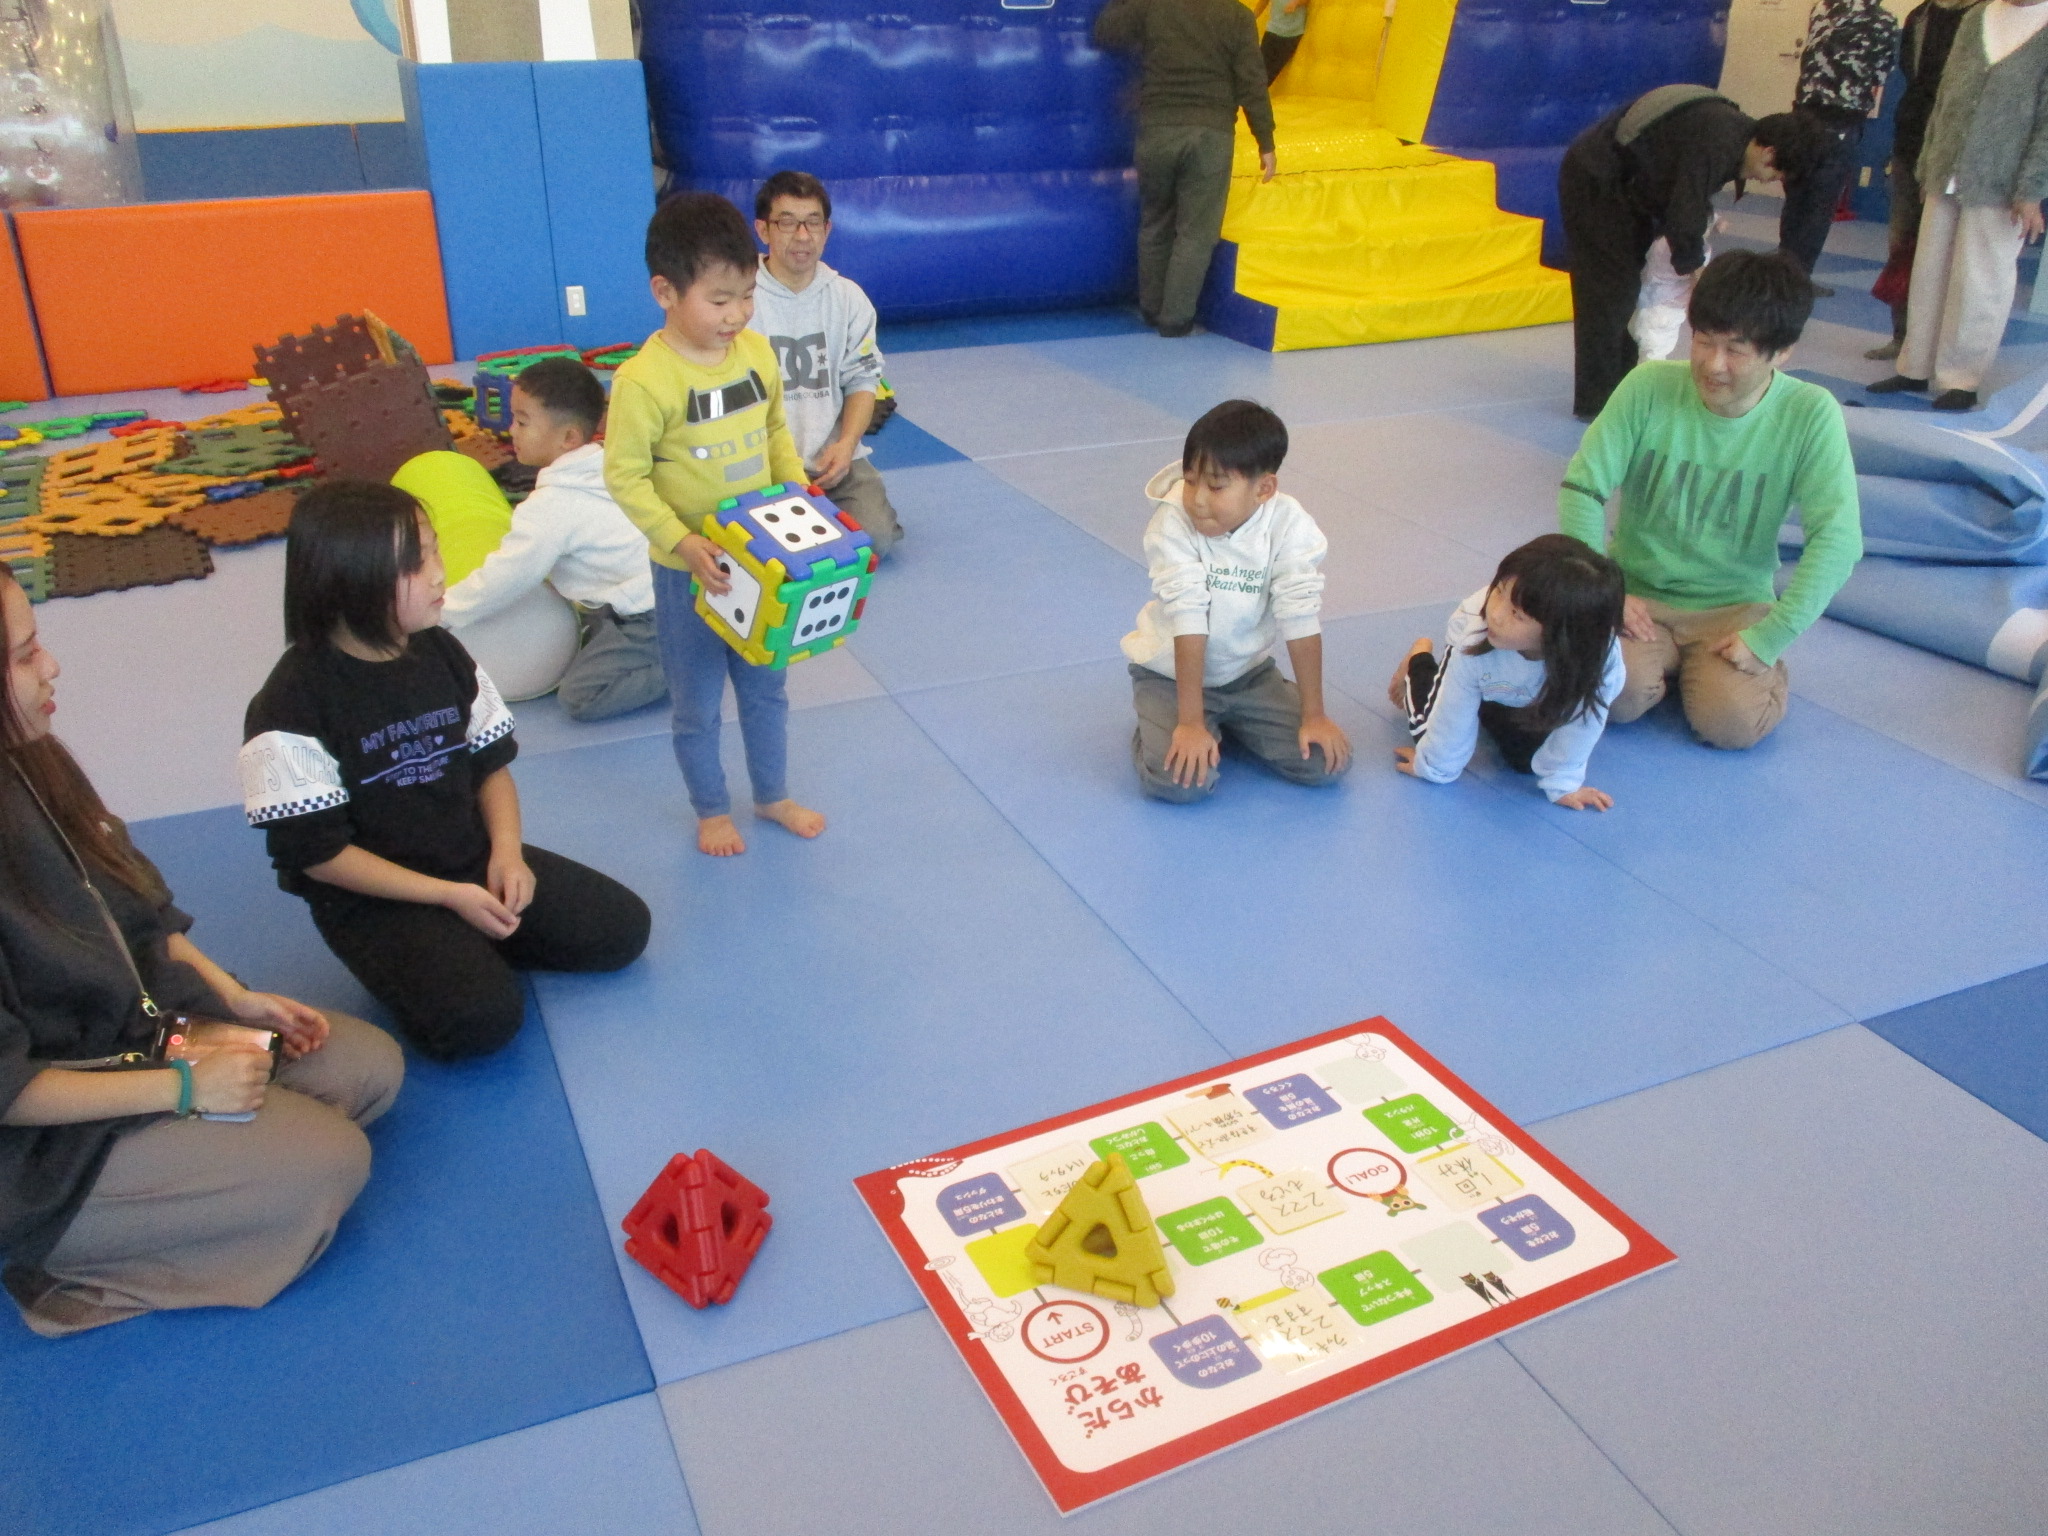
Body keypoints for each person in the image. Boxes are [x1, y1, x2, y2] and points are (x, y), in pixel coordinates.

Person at [0, 569, 403, 1337]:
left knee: (366, 1071)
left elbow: (138, 910)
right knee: (329, 1163)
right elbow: (8, 1088)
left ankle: (205, 1160)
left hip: (134, 1034)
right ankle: (64, 1274)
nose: (51, 667)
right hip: (39, 1143)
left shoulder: (32, 758)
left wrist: (232, 998)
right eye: (23, 656)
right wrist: (184, 1087)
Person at [240, 481, 650, 1060]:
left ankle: (467, 942)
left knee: (623, 930)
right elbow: (318, 854)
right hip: (375, 899)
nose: (439, 574)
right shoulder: (291, 705)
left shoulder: (440, 650)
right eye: (415, 563)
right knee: (481, 1023)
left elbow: (491, 765)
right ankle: (442, 952)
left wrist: (506, 854)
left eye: (433, 550)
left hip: (468, 860)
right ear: (352, 580)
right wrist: (448, 897)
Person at [1559, 249, 1862, 750]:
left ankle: (1720, 675)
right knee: (1613, 699)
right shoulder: (1648, 386)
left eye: (1736, 351)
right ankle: (1666, 668)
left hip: (1733, 607)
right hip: (1639, 597)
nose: (1713, 365)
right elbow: (1582, 488)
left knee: (1732, 725)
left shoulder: (1810, 414)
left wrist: (1771, 637)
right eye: (1702, 341)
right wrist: (1603, 594)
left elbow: (1839, 539)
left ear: (1781, 352)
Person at [605, 191, 823, 857]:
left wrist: (798, 491)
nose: (737, 314)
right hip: (689, 572)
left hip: (763, 563)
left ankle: (772, 794)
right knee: (697, 703)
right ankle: (710, 808)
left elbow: (775, 431)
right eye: (720, 300)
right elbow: (626, 477)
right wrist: (681, 541)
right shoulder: (644, 381)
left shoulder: (755, 354)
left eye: (747, 295)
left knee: (766, 690)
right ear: (665, 292)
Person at [1122, 398, 1352, 800]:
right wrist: (1190, 723)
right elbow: (1188, 616)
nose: (1197, 499)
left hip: (1247, 675)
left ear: (1263, 489)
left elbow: (1299, 615)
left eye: (1216, 486)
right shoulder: (1172, 520)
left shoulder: (1289, 525)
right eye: (1190, 480)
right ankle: (1161, 722)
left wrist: (1314, 715)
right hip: (1170, 677)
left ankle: (1232, 723)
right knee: (1180, 784)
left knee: (1325, 763)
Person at [1558, 87, 1830, 419]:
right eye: (1777, 173)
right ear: (1768, 152)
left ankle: (1627, 388)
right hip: (1596, 179)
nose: (1770, 180)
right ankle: (1599, 404)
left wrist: (1708, 222)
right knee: (1609, 293)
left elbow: (1685, 196)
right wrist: (1698, 275)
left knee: (1632, 293)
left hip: (1631, 183)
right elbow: (1684, 218)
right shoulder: (1718, 140)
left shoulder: (1731, 135)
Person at [440, 358, 665, 722]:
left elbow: (506, 576)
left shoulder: (552, 505)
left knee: (581, 696)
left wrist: (443, 610)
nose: (511, 431)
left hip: (650, 613)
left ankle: (693, 664)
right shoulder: (608, 468)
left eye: (522, 422)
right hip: (660, 592)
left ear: (568, 438)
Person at [1871, 0, 2048, 412]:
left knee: (1980, 281)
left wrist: (2031, 190)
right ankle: (1915, 366)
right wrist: (1928, 164)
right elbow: (1945, 97)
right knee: (1928, 273)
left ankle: (1961, 379)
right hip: (1945, 170)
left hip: (2001, 182)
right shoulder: (1976, 17)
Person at [1389, 535, 1627, 812]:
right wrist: (1434, 767)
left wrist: (1563, 782)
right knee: (1427, 736)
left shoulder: (1598, 658)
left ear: (1560, 634)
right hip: (1480, 679)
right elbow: (1451, 716)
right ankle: (1418, 659)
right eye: (1498, 590)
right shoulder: (1473, 635)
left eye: (1517, 615)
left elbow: (1585, 721)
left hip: (1519, 691)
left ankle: (1489, 708)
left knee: (1524, 761)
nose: (1496, 615)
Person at [1094, 0, 1278, 338]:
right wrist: (1265, 141)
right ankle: (1175, 319)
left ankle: (1151, 308)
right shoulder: (1237, 15)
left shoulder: (1153, 6)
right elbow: (1252, 83)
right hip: (1211, 135)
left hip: (1157, 130)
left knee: (1155, 220)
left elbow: (1106, 32)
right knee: (1196, 232)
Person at [748, 170, 904, 560]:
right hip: (760, 466)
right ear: (763, 230)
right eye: (787, 222)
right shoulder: (740, 296)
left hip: (831, 463)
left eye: (812, 222)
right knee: (767, 556)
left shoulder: (848, 298)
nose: (802, 236)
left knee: (875, 541)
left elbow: (863, 380)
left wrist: (846, 445)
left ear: (827, 230)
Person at [1866, 0, 1977, 361]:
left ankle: (1944, 348)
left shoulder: (1985, 16)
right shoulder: (1920, 16)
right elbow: (1913, 77)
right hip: (1910, 143)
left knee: (1949, 254)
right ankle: (1904, 338)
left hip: (1958, 157)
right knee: (1902, 247)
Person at [1779, 0, 1900, 286]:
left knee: (1797, 197)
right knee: (1820, 205)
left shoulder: (1821, 8)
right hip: (1843, 120)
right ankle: (1797, 279)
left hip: (1804, 115)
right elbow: (1880, 73)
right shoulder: (1882, 20)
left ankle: (1782, 270)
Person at [1257, 0, 1307, 83]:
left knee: (1269, 72)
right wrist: (1253, 16)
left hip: (1291, 34)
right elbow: (1264, 2)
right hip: (1273, 29)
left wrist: (1296, 3)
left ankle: (1256, 88)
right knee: (1259, 68)